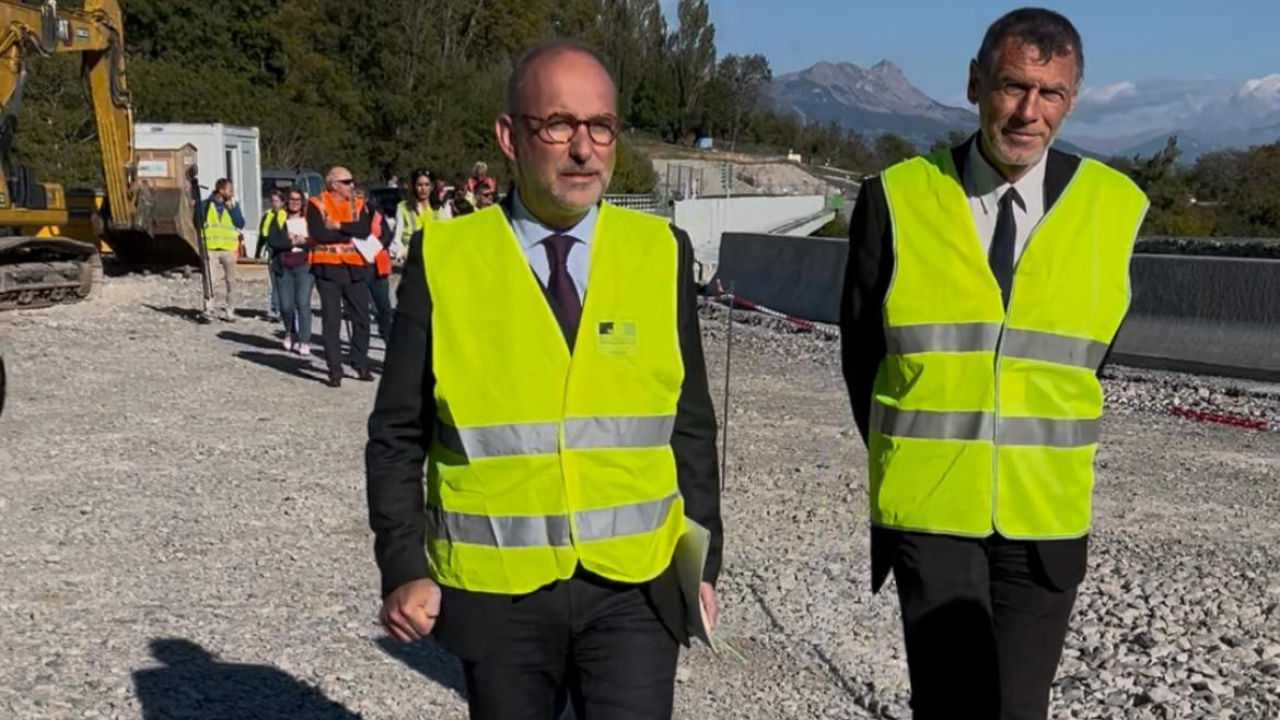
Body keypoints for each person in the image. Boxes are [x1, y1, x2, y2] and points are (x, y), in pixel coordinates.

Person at [366, 40, 722, 720]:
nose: (583, 149)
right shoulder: (447, 259)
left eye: (600, 127)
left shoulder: (659, 253)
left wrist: (704, 563)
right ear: (509, 136)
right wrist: (404, 565)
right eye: (557, 125)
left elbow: (691, 424)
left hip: (637, 588)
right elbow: (396, 434)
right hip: (501, 592)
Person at [839, 9, 1149, 720]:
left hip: (1046, 518)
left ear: (1072, 98)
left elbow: (1090, 360)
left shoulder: (1114, 207)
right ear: (977, 83)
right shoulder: (896, 198)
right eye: (1013, 87)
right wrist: (912, 453)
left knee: (1017, 707)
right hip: (932, 513)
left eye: (1050, 94)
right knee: (953, 704)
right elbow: (863, 355)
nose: (1028, 112)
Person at [307, 167, 374, 388]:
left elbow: (364, 230)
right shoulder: (316, 203)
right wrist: (349, 232)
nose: (352, 185)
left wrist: (339, 227)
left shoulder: (358, 203)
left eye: (352, 181)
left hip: (355, 268)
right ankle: (334, 370)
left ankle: (359, 361)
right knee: (331, 320)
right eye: (347, 181)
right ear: (334, 184)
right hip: (327, 269)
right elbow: (319, 234)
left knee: (362, 318)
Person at [265, 187, 314, 356]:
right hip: (284, 266)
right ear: (286, 201)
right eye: (291, 199)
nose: (294, 202)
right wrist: (291, 242)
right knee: (286, 305)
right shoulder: (278, 218)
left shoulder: (309, 220)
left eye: (297, 200)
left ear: (302, 202)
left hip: (304, 265)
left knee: (303, 303)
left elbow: (315, 241)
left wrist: (303, 241)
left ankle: (305, 340)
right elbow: (272, 241)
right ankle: (289, 331)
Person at [198, 178, 245, 322]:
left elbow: (240, 223)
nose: (232, 193)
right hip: (211, 248)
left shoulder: (233, 206)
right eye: (229, 190)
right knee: (210, 280)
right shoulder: (205, 205)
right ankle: (208, 309)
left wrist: (233, 209)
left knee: (231, 281)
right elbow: (197, 222)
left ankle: (230, 311)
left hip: (229, 248)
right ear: (221, 190)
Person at [255, 190, 285, 321]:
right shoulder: (267, 215)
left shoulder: (286, 215)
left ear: (282, 202)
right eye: (272, 201)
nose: (274, 204)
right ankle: (275, 307)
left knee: (284, 281)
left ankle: (284, 308)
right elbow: (262, 235)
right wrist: (258, 252)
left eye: (277, 201)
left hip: (285, 252)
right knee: (273, 282)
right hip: (272, 252)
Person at [395, 170, 433, 251]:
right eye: (420, 185)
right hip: (411, 256)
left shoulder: (438, 209)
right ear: (414, 187)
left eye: (427, 185)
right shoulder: (403, 207)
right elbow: (397, 237)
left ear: (431, 187)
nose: (423, 188)